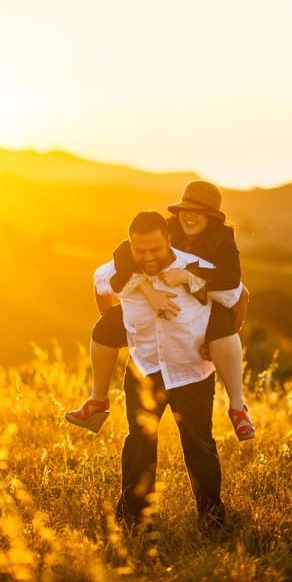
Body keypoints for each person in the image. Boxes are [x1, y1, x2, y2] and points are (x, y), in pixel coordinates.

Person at [66, 180, 255, 440]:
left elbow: (233, 282)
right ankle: (97, 401)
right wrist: (144, 290)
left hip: (205, 296)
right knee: (106, 327)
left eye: (198, 212)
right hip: (155, 303)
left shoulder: (223, 239)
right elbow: (124, 250)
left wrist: (187, 277)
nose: (190, 216)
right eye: (186, 209)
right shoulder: (167, 227)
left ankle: (238, 407)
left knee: (223, 329)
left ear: (211, 217)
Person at [92, 211, 241, 528]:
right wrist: (120, 326)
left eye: (154, 249)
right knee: (139, 444)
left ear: (169, 240)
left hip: (192, 371)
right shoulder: (125, 269)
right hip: (144, 368)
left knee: (200, 445)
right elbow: (100, 281)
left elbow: (236, 295)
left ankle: (212, 518)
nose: (147, 257)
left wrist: (219, 338)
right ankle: (134, 519)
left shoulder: (192, 268)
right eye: (139, 249)